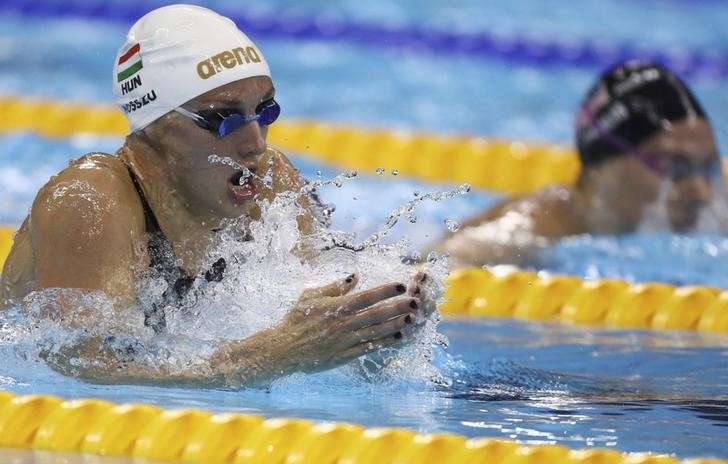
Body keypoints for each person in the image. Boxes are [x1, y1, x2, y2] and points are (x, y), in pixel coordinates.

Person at [0, 5, 427, 386]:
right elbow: (81, 365)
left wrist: (377, 336)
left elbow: (312, 336)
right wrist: (267, 356)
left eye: (266, 111)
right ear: (156, 125)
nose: (256, 144)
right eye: (223, 120)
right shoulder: (91, 203)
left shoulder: (270, 183)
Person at [431, 60, 722, 267]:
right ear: (602, 165)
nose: (700, 193)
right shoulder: (532, 229)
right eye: (675, 167)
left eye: (708, 168)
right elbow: (429, 273)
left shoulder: (713, 216)